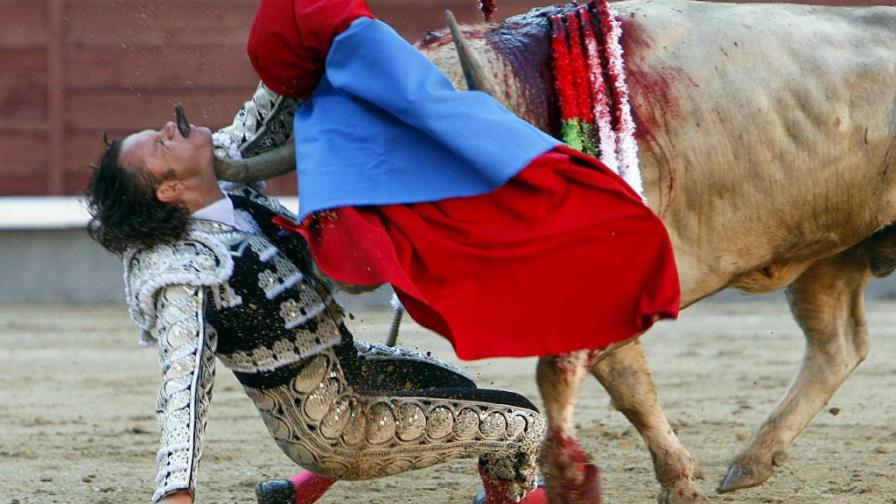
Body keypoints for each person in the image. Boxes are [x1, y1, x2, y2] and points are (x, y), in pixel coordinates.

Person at [84, 121, 548, 504]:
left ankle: (296, 495)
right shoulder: (183, 272)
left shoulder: (225, 187)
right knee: (523, 423)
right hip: (334, 429)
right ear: (170, 188)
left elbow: (269, 112)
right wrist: (176, 490)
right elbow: (182, 383)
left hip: (350, 367)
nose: (170, 128)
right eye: (162, 144)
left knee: (460, 390)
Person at [232, 0, 681, 363]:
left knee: (442, 120)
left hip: (321, 58)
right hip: (331, 52)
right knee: (450, 120)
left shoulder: (329, 89)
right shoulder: (345, 63)